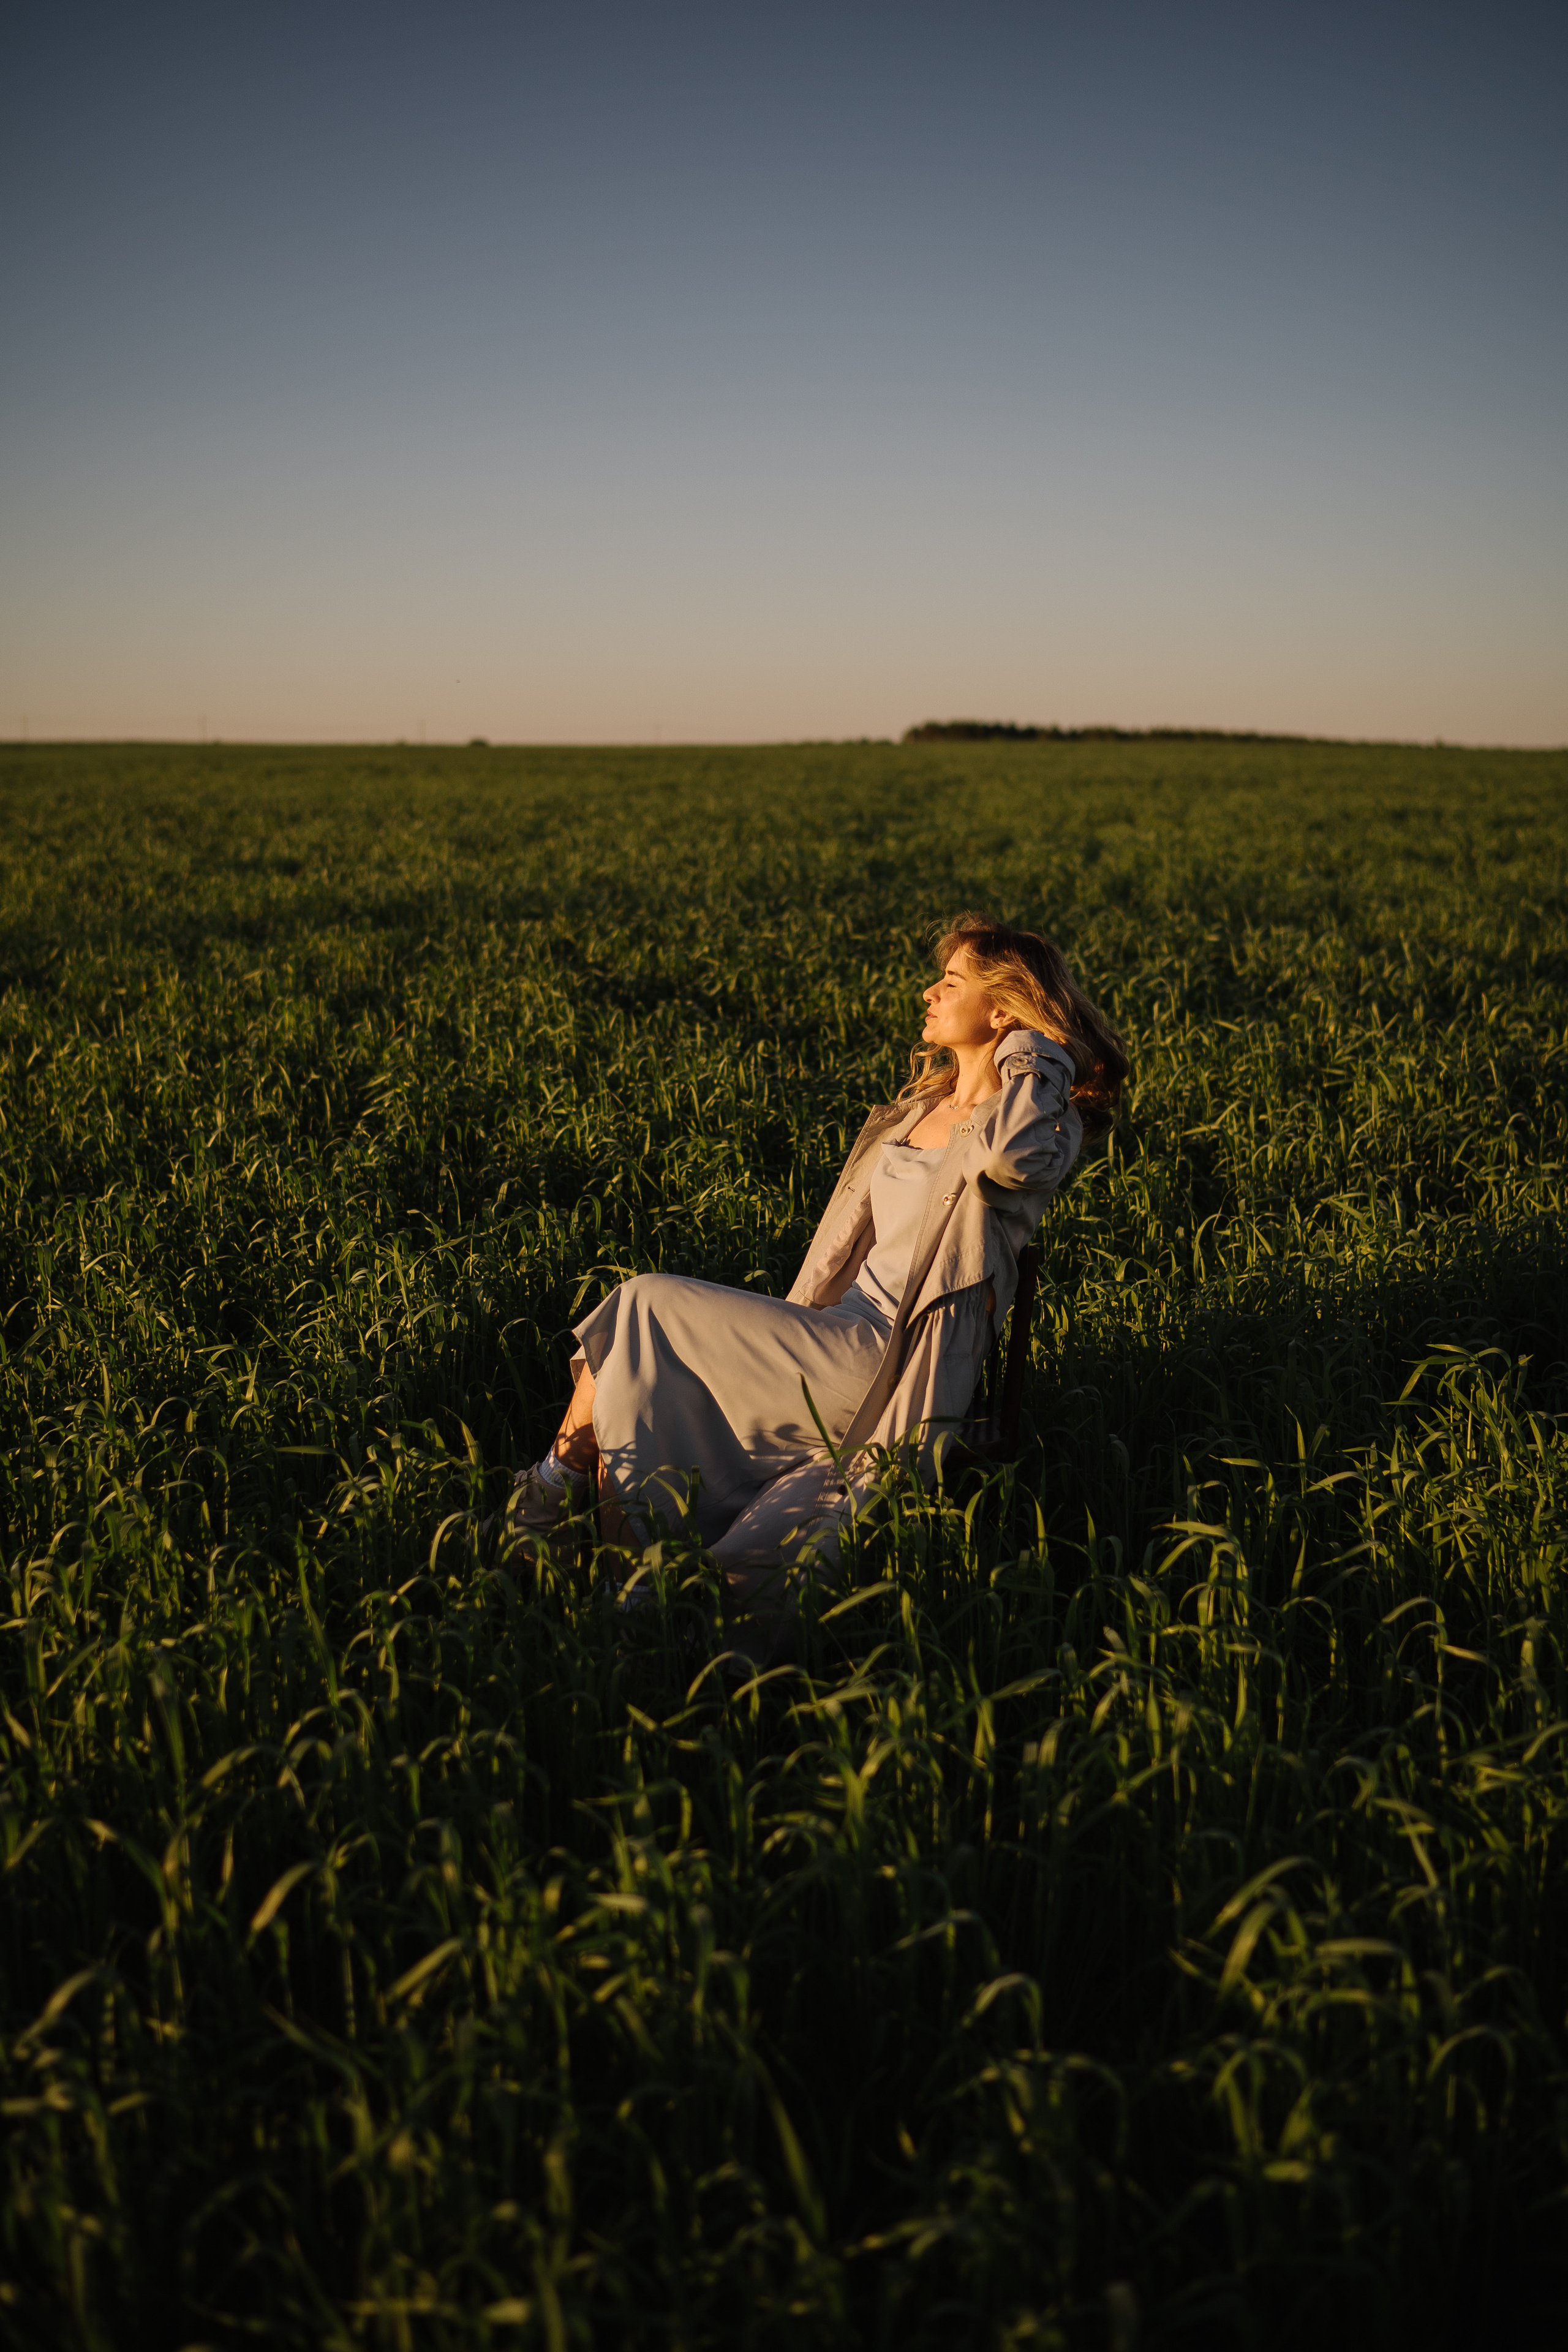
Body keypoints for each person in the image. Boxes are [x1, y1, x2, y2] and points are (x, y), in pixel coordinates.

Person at [495, 913, 1127, 1629]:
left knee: (643, 1305)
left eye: (950, 983)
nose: (928, 992)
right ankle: (619, 1585)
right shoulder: (919, 1108)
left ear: (1003, 1009)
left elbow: (1009, 1159)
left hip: (890, 1361)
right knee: (630, 1367)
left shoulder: (1037, 1124)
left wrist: (1038, 1052)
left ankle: (546, 1502)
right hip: (834, 1332)